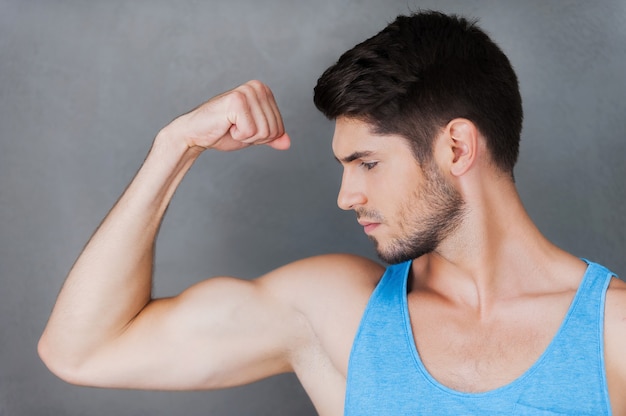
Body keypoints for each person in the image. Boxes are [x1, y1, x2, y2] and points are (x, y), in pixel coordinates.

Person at [38, 11, 625, 415]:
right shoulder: (334, 311)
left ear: (456, 148)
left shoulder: (614, 335)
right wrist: (175, 147)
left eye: (366, 163)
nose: (346, 196)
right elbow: (82, 350)